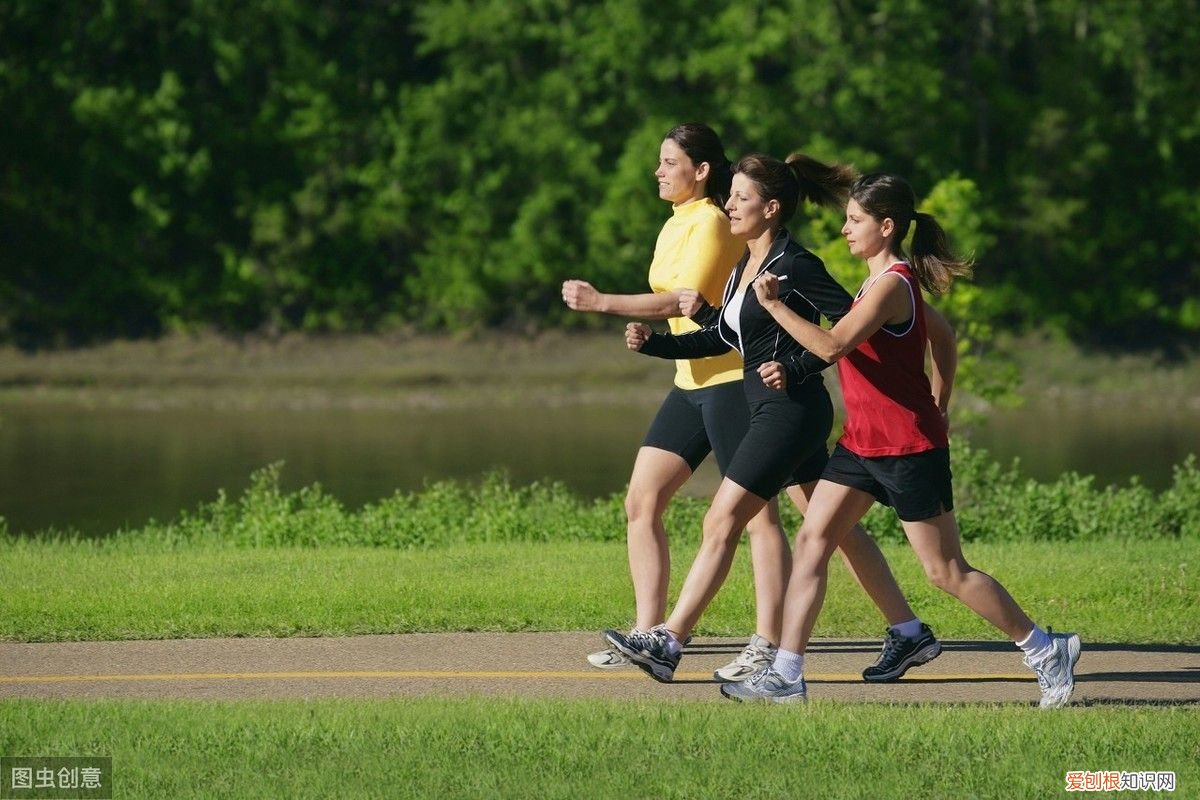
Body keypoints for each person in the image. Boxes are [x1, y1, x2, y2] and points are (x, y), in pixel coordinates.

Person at [721, 172, 1081, 708]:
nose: (845, 229)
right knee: (813, 540)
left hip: (909, 448)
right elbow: (942, 335)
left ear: (886, 227)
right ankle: (787, 675)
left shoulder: (891, 284)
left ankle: (1045, 647)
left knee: (946, 572)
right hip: (861, 444)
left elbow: (833, 344)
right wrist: (941, 396)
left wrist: (775, 306)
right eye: (847, 218)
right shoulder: (875, 284)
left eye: (855, 220)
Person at [604, 153, 948, 683]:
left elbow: (845, 331)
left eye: (740, 197)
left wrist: (796, 365)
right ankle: (907, 631)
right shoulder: (748, 263)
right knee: (834, 529)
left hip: (791, 413)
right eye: (730, 196)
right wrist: (654, 345)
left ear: (771, 208)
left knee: (721, 519)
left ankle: (669, 641)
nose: (729, 204)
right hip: (774, 408)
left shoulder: (797, 265)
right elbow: (726, 336)